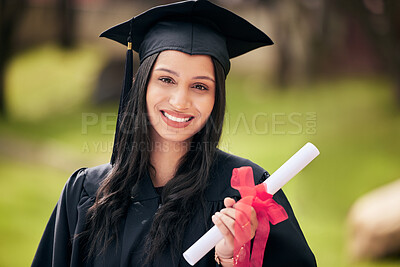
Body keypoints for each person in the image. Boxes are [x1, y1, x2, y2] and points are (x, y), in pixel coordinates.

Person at [32, 1, 317, 266]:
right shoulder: (85, 192)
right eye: (166, 79)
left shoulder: (246, 192)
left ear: (216, 98)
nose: (180, 101)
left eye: (200, 86)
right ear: (142, 85)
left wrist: (232, 259)